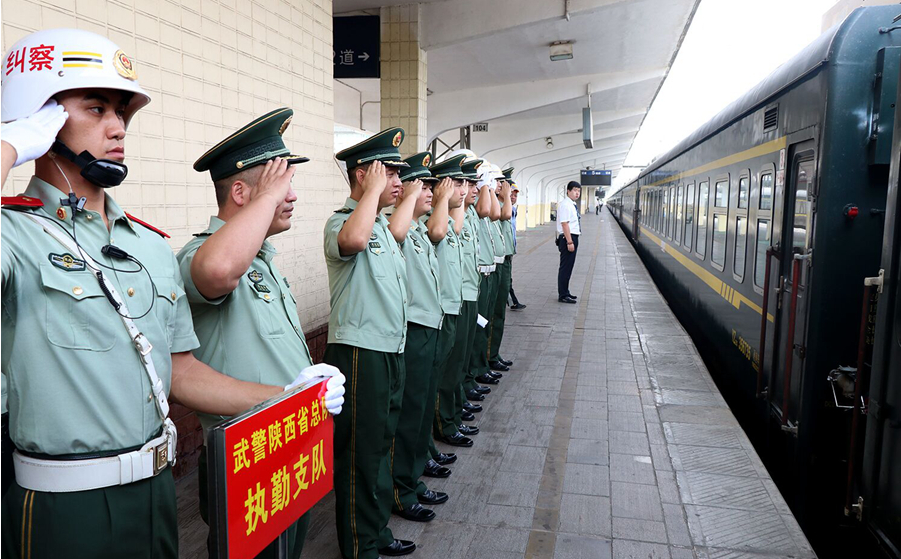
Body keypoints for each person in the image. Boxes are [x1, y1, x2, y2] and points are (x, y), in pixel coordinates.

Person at [0, 29, 339, 559]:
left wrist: (286, 396)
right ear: (37, 117)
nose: (118, 127)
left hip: (155, 492)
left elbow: (179, 372)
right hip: (65, 504)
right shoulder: (14, 234)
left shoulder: (149, 246)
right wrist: (12, 144)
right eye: (96, 108)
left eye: (123, 113)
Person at [176, 108, 345, 559]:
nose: (291, 196)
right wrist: (266, 199)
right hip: (246, 455)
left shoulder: (262, 259)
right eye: (279, 186)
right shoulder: (201, 253)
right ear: (240, 192)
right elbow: (215, 270)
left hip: (286, 442)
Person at [325, 128, 414, 559]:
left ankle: (376, 533)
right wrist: (373, 193)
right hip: (360, 354)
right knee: (360, 453)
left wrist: (382, 197)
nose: (399, 180)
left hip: (388, 350)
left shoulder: (381, 224)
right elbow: (353, 242)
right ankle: (360, 547)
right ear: (363, 175)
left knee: (380, 444)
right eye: (389, 172)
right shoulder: (344, 222)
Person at [430, 154, 479, 448]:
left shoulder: (451, 218)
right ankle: (444, 423)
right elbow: (444, 231)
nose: (462, 190)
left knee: (456, 365)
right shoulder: (432, 223)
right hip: (441, 309)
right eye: (457, 183)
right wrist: (448, 199)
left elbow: (455, 228)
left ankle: (452, 416)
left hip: (457, 301)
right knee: (443, 374)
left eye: (465, 184)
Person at [487, 167, 516, 371]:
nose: (509, 192)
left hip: (504, 259)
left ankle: (493, 354)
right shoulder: (493, 204)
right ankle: (487, 357)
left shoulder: (500, 202)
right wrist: (505, 196)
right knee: (492, 314)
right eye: (500, 183)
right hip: (494, 263)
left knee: (499, 314)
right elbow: (504, 215)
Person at [557, 180, 582, 303]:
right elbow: (564, 224)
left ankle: (566, 292)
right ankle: (563, 295)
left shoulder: (571, 204)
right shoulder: (566, 205)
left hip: (571, 237)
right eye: (575, 190)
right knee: (565, 267)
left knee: (568, 267)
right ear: (568, 191)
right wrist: (569, 242)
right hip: (568, 238)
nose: (577, 193)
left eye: (578, 191)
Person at [508, 182, 526, 311]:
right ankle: (513, 300)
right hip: (504, 251)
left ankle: (513, 300)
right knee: (507, 278)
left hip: (510, 248)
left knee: (508, 277)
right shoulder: (503, 210)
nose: (513, 197)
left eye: (515, 196)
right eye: (511, 195)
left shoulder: (514, 209)